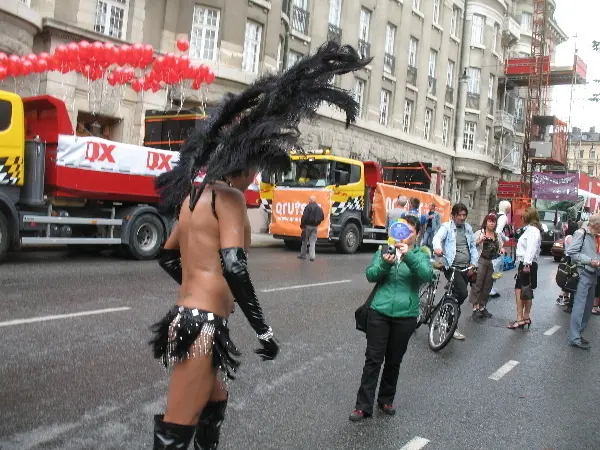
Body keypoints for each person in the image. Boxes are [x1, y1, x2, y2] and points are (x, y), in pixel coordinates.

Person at [149, 41, 371, 449]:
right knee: (175, 430)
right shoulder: (228, 199)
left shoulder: (194, 198)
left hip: (193, 318)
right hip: (201, 326)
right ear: (249, 163)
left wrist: (197, 282)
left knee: (215, 402)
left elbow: (166, 254)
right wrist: (263, 330)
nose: (255, 178)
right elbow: (234, 266)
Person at [350, 215, 433, 421]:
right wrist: (386, 265)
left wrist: (408, 257)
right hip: (379, 311)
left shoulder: (420, 254)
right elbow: (371, 275)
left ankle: (385, 399)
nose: (403, 235)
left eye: (409, 231)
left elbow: (426, 275)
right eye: (400, 230)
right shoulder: (383, 250)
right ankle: (363, 406)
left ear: (417, 234)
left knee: (394, 361)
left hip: (406, 315)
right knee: (373, 360)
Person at [432, 202, 479, 340]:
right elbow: (437, 238)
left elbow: (473, 247)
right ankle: (450, 324)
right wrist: (437, 248)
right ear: (453, 215)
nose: (462, 218)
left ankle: (442, 313)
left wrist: (473, 263)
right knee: (462, 293)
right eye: (459, 215)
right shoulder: (447, 227)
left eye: (464, 215)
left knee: (454, 295)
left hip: (466, 267)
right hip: (452, 266)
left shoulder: (468, 228)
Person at [566, 214, 600, 349]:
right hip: (583, 273)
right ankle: (574, 338)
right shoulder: (581, 233)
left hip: (594, 273)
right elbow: (571, 252)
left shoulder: (596, 236)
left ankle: (578, 334)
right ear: (595, 225)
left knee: (587, 308)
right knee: (579, 307)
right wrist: (590, 261)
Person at [508, 207, 542, 330]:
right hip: (529, 263)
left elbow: (531, 248)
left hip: (527, 263)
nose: (522, 218)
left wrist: (526, 264)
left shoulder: (532, 230)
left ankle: (520, 318)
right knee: (526, 290)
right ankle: (525, 317)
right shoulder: (532, 230)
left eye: (524, 216)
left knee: (520, 290)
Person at [469, 213, 504, 319]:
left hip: (493, 262)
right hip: (480, 261)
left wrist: (501, 249)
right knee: (477, 285)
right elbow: (472, 245)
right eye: (490, 221)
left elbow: (501, 246)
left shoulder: (497, 235)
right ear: (486, 222)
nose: (492, 223)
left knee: (488, 286)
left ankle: (482, 307)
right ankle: (475, 308)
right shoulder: (480, 232)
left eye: (493, 221)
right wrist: (480, 240)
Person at [489, 200, 512, 298]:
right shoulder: (503, 218)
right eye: (509, 207)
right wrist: (503, 240)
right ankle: (490, 288)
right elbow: (498, 231)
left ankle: (490, 287)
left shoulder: (495, 215)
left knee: (492, 266)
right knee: (495, 267)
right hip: (496, 244)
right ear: (506, 208)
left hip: (489, 242)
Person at [298, 196, 324, 261]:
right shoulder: (319, 208)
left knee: (304, 241)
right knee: (312, 242)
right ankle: (312, 256)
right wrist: (317, 223)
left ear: (310, 200)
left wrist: (302, 226)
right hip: (315, 227)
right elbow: (322, 217)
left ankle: (303, 255)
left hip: (307, 226)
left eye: (309, 200)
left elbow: (304, 217)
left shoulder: (308, 207)